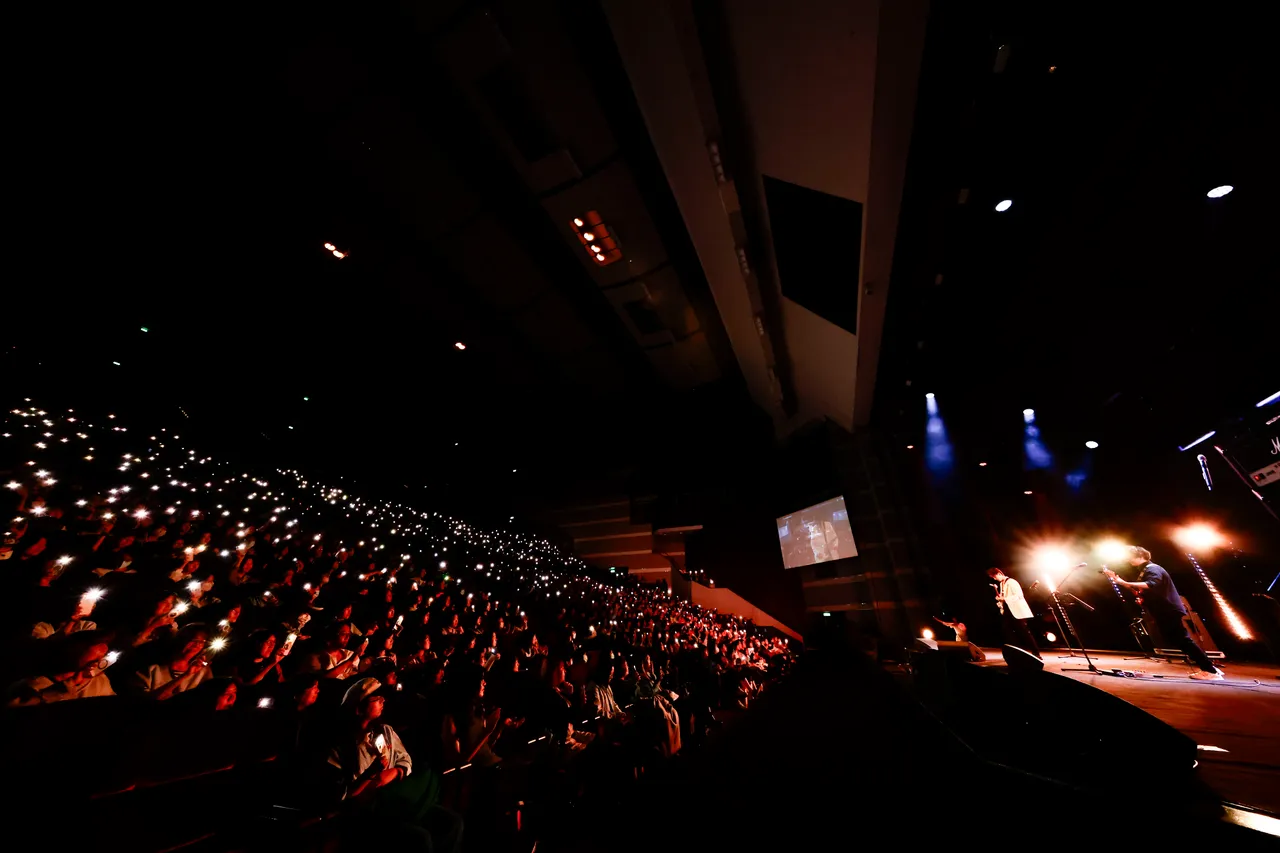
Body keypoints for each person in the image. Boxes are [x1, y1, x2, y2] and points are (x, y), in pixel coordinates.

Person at [328, 678, 462, 853]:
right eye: (376, 699)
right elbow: (344, 795)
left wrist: (395, 771)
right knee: (420, 838)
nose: (383, 700)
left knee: (453, 822)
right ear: (358, 709)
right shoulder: (342, 747)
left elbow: (405, 759)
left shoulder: (385, 731)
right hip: (371, 814)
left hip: (398, 800)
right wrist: (371, 775)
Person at [1104, 546, 1223, 680]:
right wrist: (1119, 582)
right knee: (1179, 639)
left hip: (1167, 609)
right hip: (1164, 610)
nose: (1127, 560)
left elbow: (1151, 584)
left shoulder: (1152, 568)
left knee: (1182, 640)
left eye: (1129, 557)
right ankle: (1210, 668)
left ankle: (1210, 670)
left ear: (1140, 556)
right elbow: (1142, 588)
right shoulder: (1146, 570)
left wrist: (1124, 582)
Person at [7, 633, 117, 705]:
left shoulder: (100, 682)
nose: (105, 651)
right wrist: (70, 684)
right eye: (96, 659)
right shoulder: (34, 685)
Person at [986, 568, 1040, 658]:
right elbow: (1004, 597)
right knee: (1007, 630)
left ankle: (1036, 652)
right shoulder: (1001, 584)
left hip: (1017, 610)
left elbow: (1019, 595)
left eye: (994, 577)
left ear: (999, 573)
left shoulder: (1012, 582)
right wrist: (1000, 602)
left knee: (1024, 631)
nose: (994, 579)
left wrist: (1004, 599)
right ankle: (1017, 652)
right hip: (1008, 610)